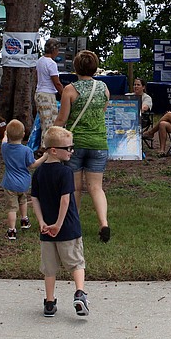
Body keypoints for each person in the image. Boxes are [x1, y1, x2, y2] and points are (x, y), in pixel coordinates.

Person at [31, 126, 89, 318]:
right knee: (76, 263)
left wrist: (42, 222)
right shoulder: (65, 173)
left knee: (49, 268)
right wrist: (58, 224)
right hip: (68, 227)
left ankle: (49, 302)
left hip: (46, 230)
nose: (71, 151)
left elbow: (35, 199)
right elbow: (66, 200)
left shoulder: (38, 173)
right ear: (54, 150)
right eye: (68, 148)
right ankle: (80, 293)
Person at [53, 50, 111, 243]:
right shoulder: (104, 88)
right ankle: (103, 223)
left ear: (76, 68)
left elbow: (63, 118)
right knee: (96, 187)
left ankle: (72, 224)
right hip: (99, 143)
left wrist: (50, 134)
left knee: (75, 187)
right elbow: (102, 112)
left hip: (75, 143)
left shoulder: (70, 90)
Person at [1, 119, 47, 240]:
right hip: (24, 183)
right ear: (23, 134)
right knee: (23, 201)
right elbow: (32, 165)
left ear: (8, 134)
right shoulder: (27, 150)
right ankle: (24, 220)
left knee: (11, 208)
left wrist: (5, 135)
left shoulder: (5, 148)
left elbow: (4, 141)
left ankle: (11, 230)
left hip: (9, 184)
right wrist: (44, 157)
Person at [35, 39, 65, 143]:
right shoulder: (51, 64)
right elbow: (56, 83)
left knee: (44, 121)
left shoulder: (40, 61)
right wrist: (64, 94)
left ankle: (44, 145)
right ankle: (45, 147)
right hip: (47, 95)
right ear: (54, 50)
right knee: (49, 123)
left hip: (39, 93)